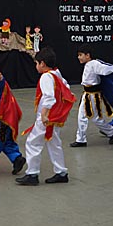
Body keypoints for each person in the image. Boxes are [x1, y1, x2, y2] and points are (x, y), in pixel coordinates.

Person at [17, 47, 75, 186]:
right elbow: (65, 87)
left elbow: (49, 97)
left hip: (47, 118)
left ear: (42, 63)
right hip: (55, 117)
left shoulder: (46, 77)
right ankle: (61, 172)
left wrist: (44, 115)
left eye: (36, 64)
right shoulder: (56, 73)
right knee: (54, 143)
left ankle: (32, 173)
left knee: (33, 142)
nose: (36, 67)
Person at [70, 43, 113, 147]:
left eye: (80, 55)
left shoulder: (94, 64)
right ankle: (81, 139)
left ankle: (112, 132)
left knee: (95, 118)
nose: (79, 57)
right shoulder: (89, 64)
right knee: (82, 116)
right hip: (87, 94)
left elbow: (104, 69)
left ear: (87, 55)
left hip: (93, 96)